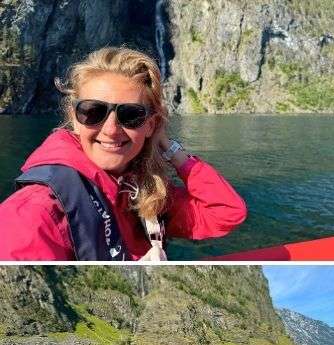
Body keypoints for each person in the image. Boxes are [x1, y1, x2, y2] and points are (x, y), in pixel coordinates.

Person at [0, 46, 246, 260]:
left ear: (151, 125)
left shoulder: (144, 191)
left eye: (131, 115)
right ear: (75, 118)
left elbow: (225, 212)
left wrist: (170, 148)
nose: (110, 130)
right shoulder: (38, 210)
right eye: (93, 111)